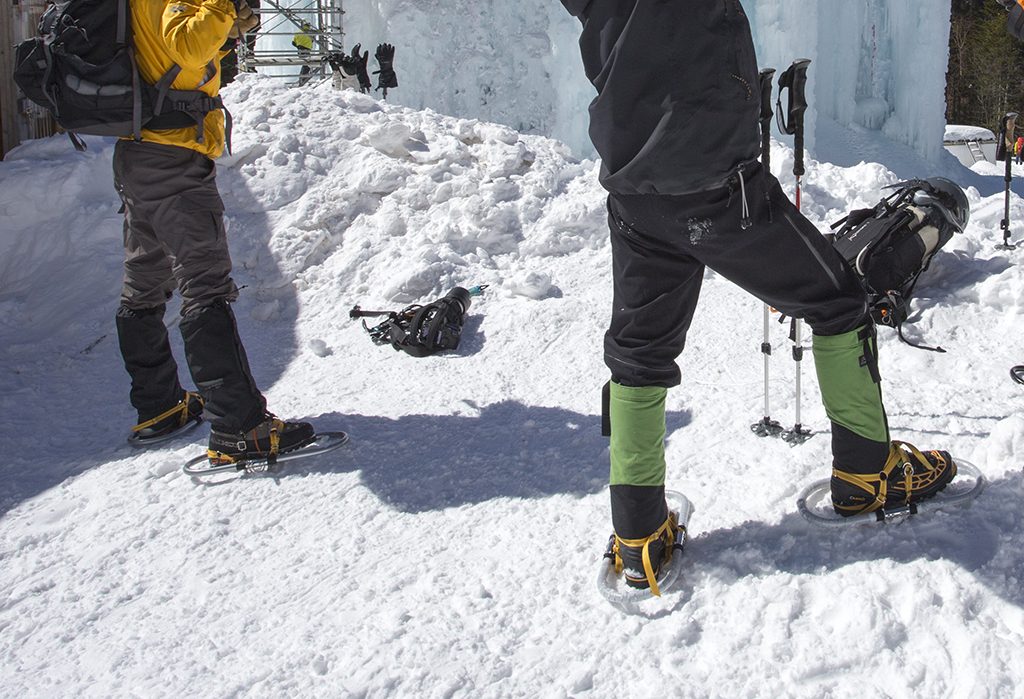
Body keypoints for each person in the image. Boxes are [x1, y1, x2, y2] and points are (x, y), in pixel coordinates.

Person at [560, 0, 958, 593]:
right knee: (839, 301)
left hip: (635, 186)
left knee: (639, 350)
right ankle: (867, 472)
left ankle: (638, 534)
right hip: (716, 182)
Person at [115, 0, 313, 463]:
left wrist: (223, 23)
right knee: (204, 282)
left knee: (144, 279)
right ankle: (240, 427)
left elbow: (171, 52)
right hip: (172, 155)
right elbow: (186, 45)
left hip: (140, 150)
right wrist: (220, 6)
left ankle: (158, 405)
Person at [292, 21, 314, 86]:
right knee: (307, 65)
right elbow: (312, 40)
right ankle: (302, 81)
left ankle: (302, 80)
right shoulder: (310, 32)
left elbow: (293, 43)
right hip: (306, 50)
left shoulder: (298, 33)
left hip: (300, 50)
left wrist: (299, 45)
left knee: (305, 64)